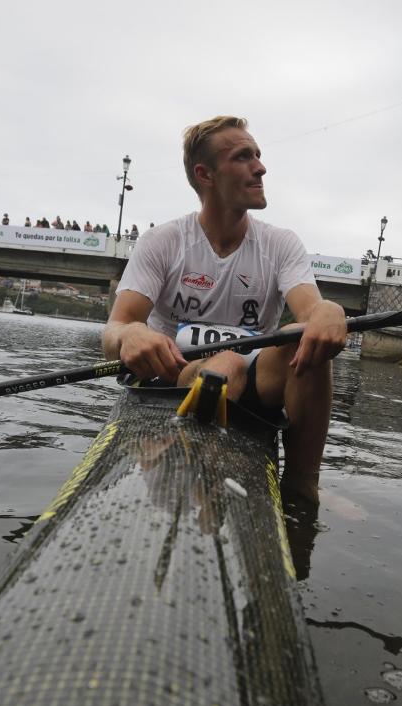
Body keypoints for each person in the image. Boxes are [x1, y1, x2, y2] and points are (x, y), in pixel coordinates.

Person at [102, 115, 347, 502]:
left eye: (259, 156)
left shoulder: (280, 244)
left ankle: (302, 483)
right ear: (206, 174)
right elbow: (115, 328)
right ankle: (203, 441)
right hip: (174, 373)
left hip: (255, 381)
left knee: (298, 340)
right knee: (225, 366)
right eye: (243, 157)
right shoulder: (162, 241)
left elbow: (309, 312)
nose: (261, 167)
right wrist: (131, 333)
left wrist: (328, 311)